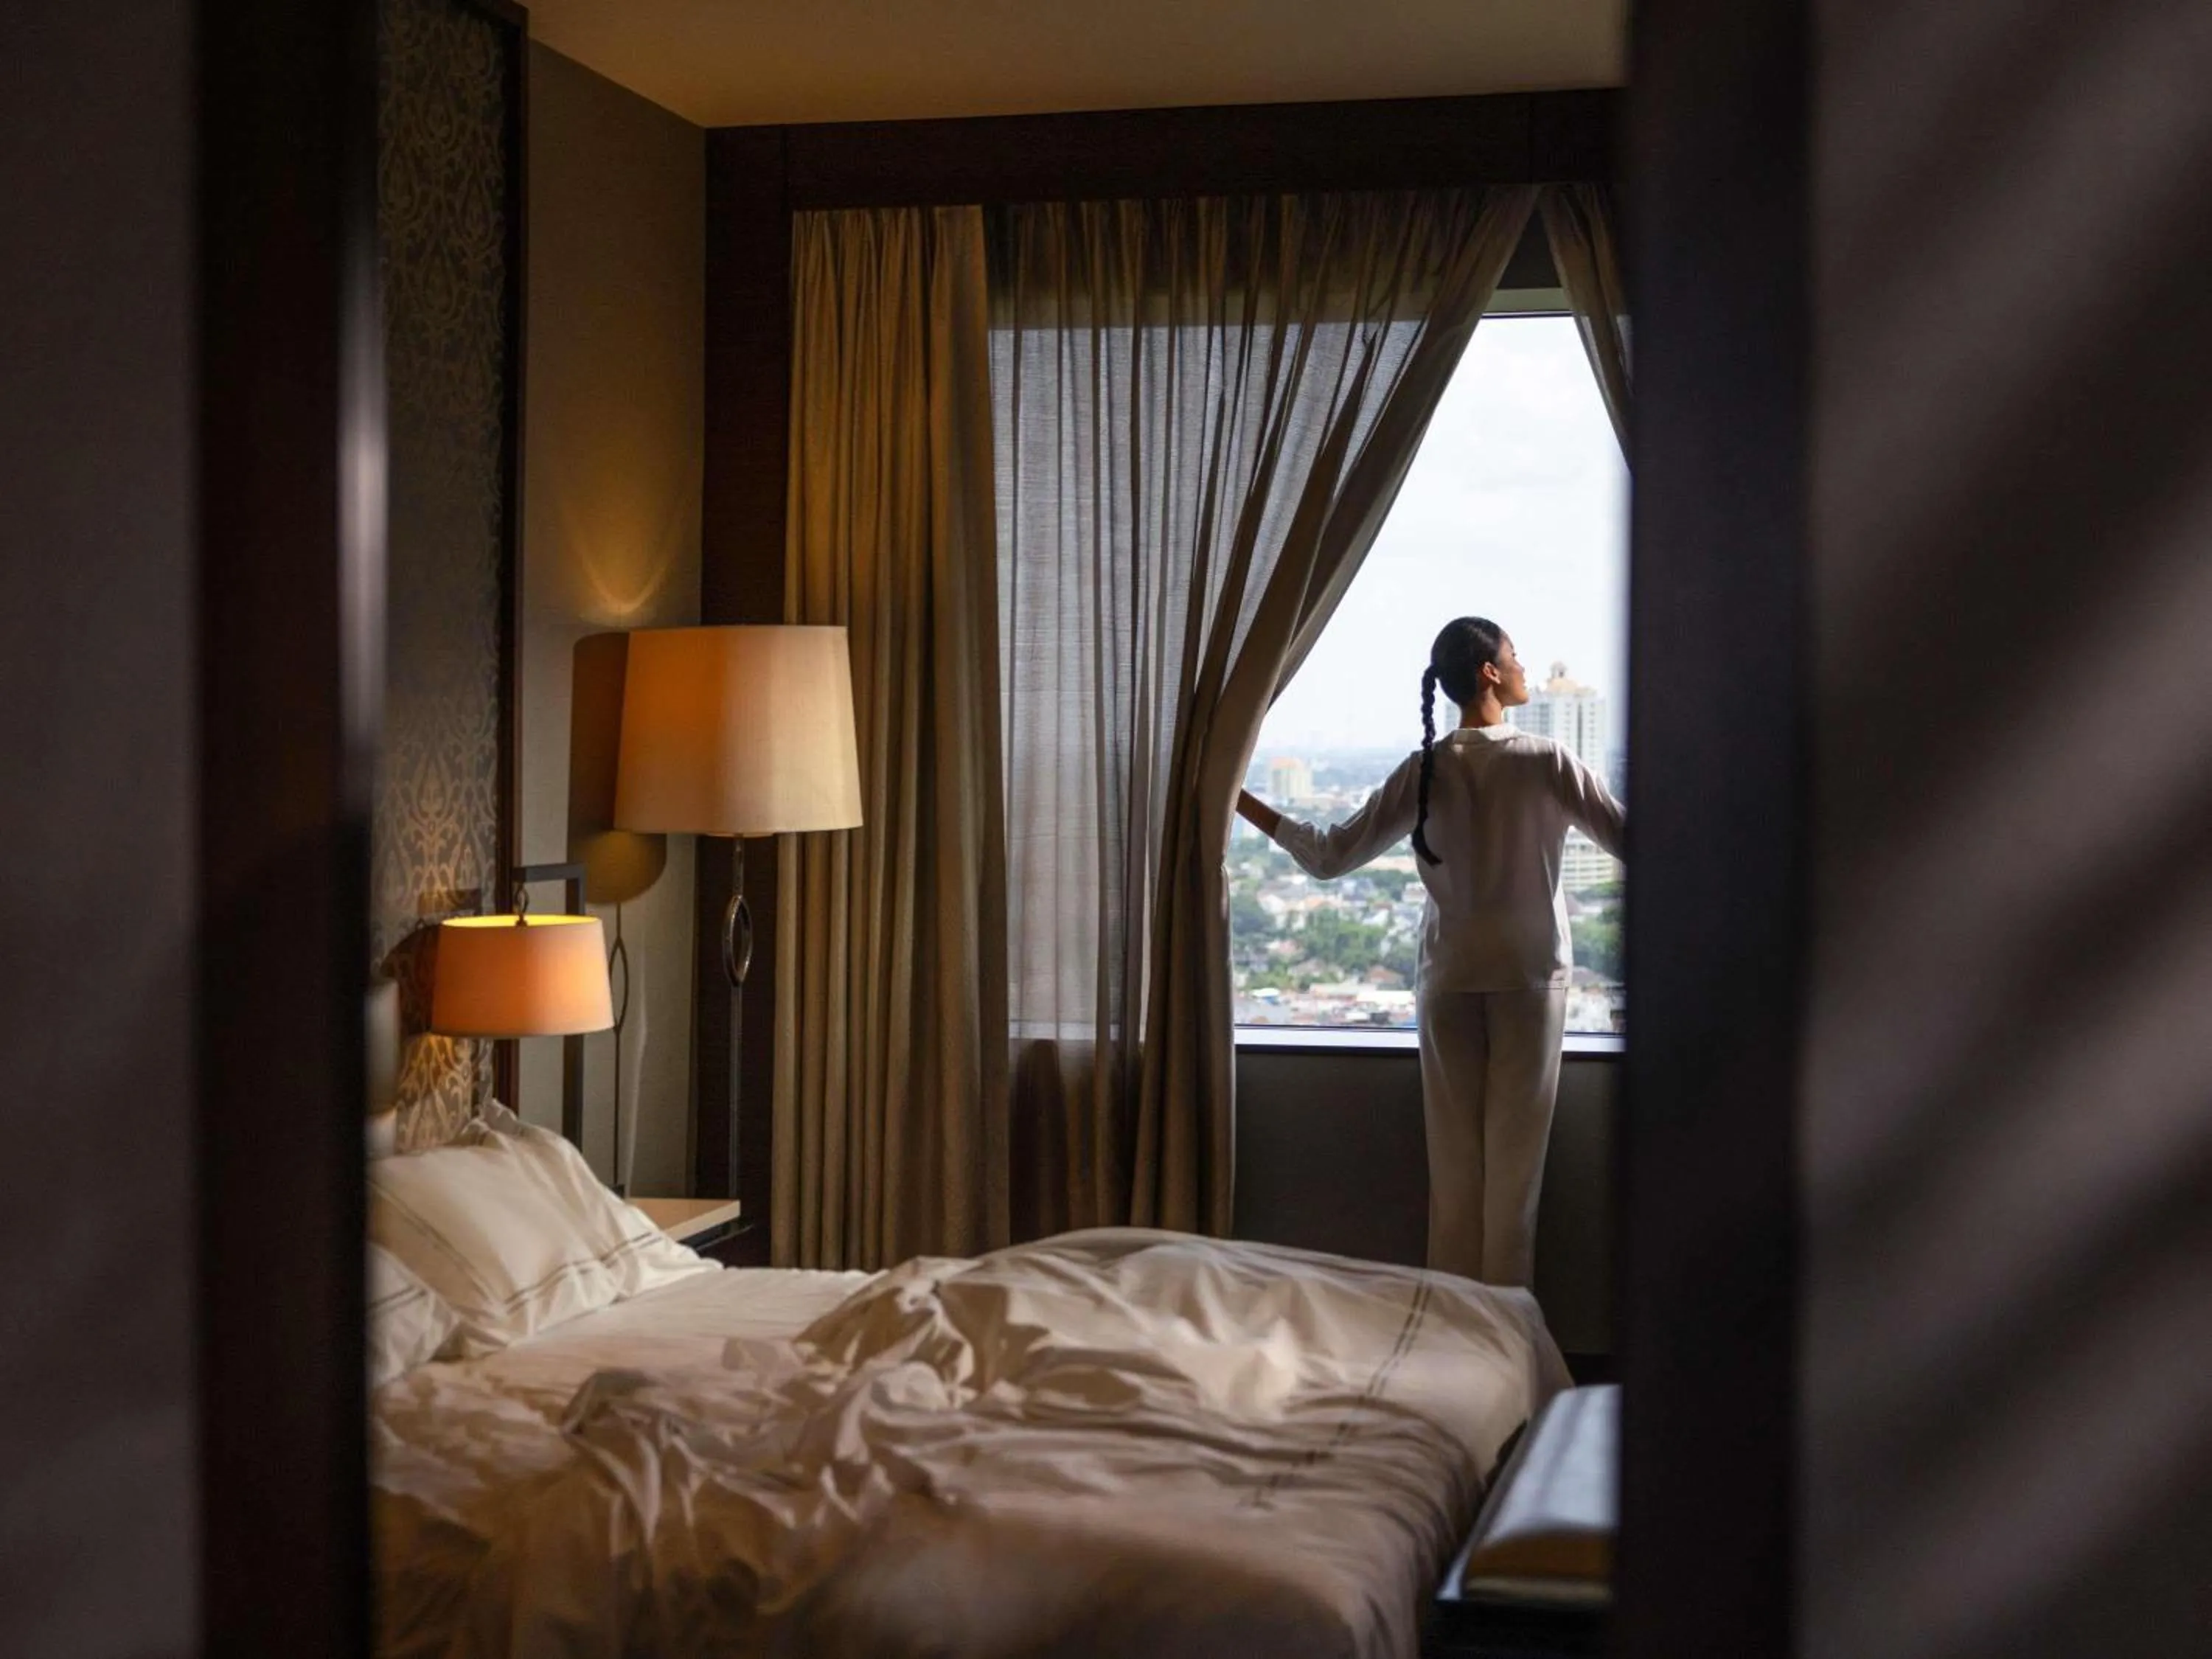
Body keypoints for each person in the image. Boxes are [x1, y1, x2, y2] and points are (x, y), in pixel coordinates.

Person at [1235, 616, 1625, 1287]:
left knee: (1453, 1187)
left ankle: (1446, 1341)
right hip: (1530, 984)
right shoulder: (1547, 761)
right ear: (1490, 673)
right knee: (1514, 1191)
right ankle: (1505, 1353)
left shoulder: (1425, 770)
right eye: (1515, 653)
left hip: (1448, 983)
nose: (1524, 665)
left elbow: (1329, 855)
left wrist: (1234, 800)